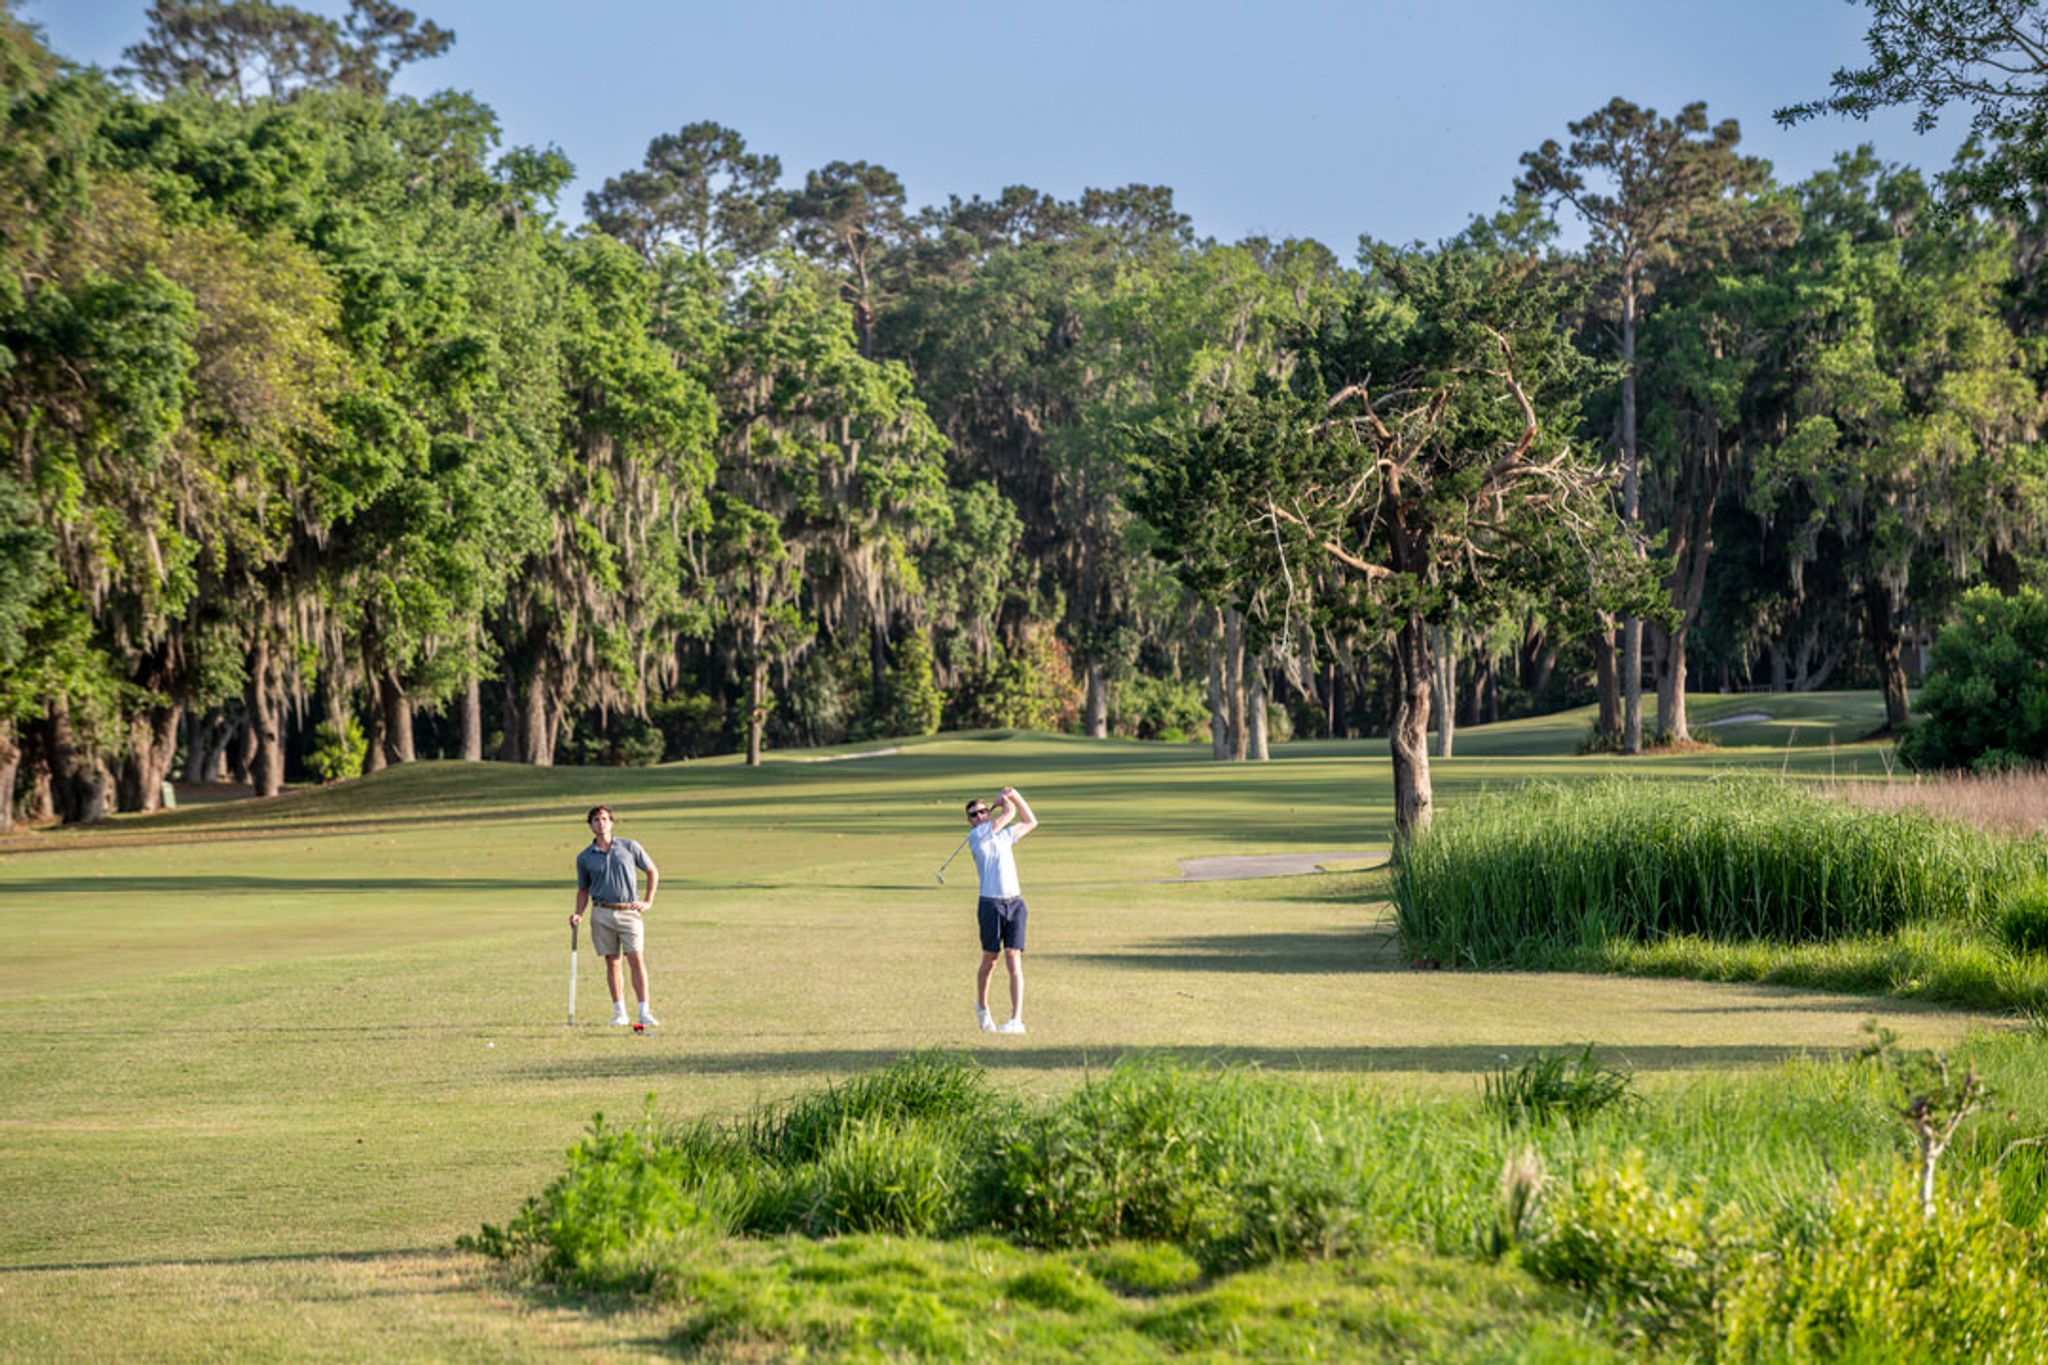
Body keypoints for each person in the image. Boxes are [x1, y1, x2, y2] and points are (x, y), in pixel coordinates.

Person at [569, 804, 660, 1029]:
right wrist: (578, 913)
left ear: (612, 822)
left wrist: (648, 901)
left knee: (636, 959)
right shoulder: (584, 857)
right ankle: (620, 1012)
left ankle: (644, 1011)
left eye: (605, 819)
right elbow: (583, 889)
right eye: (596, 820)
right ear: (590, 826)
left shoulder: (629, 846)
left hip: (629, 911)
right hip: (601, 912)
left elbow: (652, 871)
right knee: (612, 962)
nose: (601, 823)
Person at [966, 785, 1037, 1034]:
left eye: (984, 811)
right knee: (990, 960)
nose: (980, 816)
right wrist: (1005, 801)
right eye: (974, 814)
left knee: (1013, 958)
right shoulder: (976, 838)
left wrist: (1014, 795)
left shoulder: (1004, 836)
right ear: (970, 821)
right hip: (990, 904)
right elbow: (1008, 815)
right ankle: (983, 1008)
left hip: (1015, 903)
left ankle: (1016, 1020)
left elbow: (1030, 821)